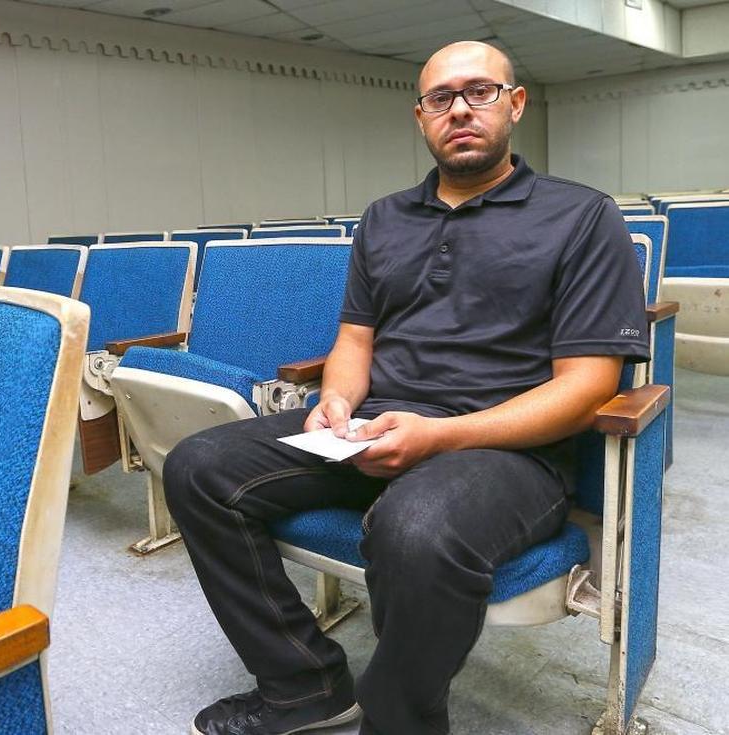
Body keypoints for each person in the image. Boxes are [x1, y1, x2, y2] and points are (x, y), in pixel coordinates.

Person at [164, 40, 650, 735]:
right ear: (420, 116)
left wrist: (443, 435)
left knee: (414, 528)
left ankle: (399, 721)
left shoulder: (582, 217)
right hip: (375, 429)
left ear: (515, 104)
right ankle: (304, 685)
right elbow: (355, 341)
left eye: (479, 92)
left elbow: (587, 385)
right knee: (198, 467)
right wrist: (335, 401)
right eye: (439, 98)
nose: (459, 109)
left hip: (507, 453)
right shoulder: (385, 218)